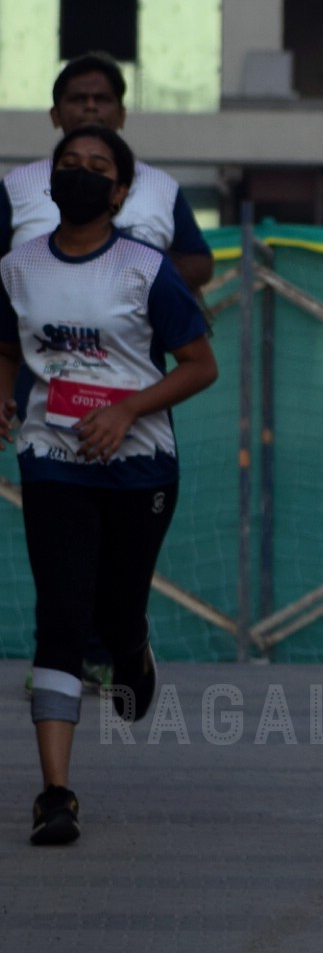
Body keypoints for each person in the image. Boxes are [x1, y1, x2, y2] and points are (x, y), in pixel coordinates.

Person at [0, 126, 218, 846]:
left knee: (117, 606)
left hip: (140, 464)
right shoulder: (19, 266)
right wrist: (3, 391)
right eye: (69, 164)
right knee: (61, 615)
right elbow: (7, 342)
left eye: (98, 168)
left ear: (120, 191)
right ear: (50, 180)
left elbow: (198, 364)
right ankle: (56, 794)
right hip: (52, 456)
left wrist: (126, 409)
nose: (80, 175)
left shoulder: (145, 268)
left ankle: (131, 646)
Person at [2, 54, 215, 291]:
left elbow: (200, 263)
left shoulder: (161, 187)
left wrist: (140, 276)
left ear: (122, 115)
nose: (90, 106)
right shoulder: (16, 186)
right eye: (78, 98)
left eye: (102, 99)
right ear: (55, 115)